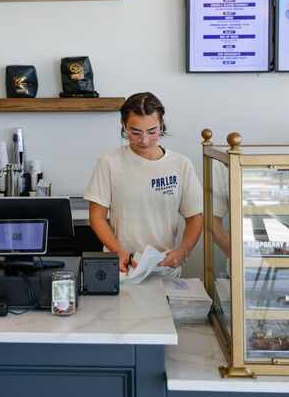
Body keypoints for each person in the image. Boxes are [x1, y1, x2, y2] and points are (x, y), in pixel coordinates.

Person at [84, 92, 203, 273]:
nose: (144, 140)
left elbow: (195, 217)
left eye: (152, 131)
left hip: (164, 267)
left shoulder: (181, 164)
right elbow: (97, 217)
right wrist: (119, 252)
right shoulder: (109, 162)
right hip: (123, 266)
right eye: (135, 132)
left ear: (161, 125)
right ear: (124, 126)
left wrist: (183, 251)